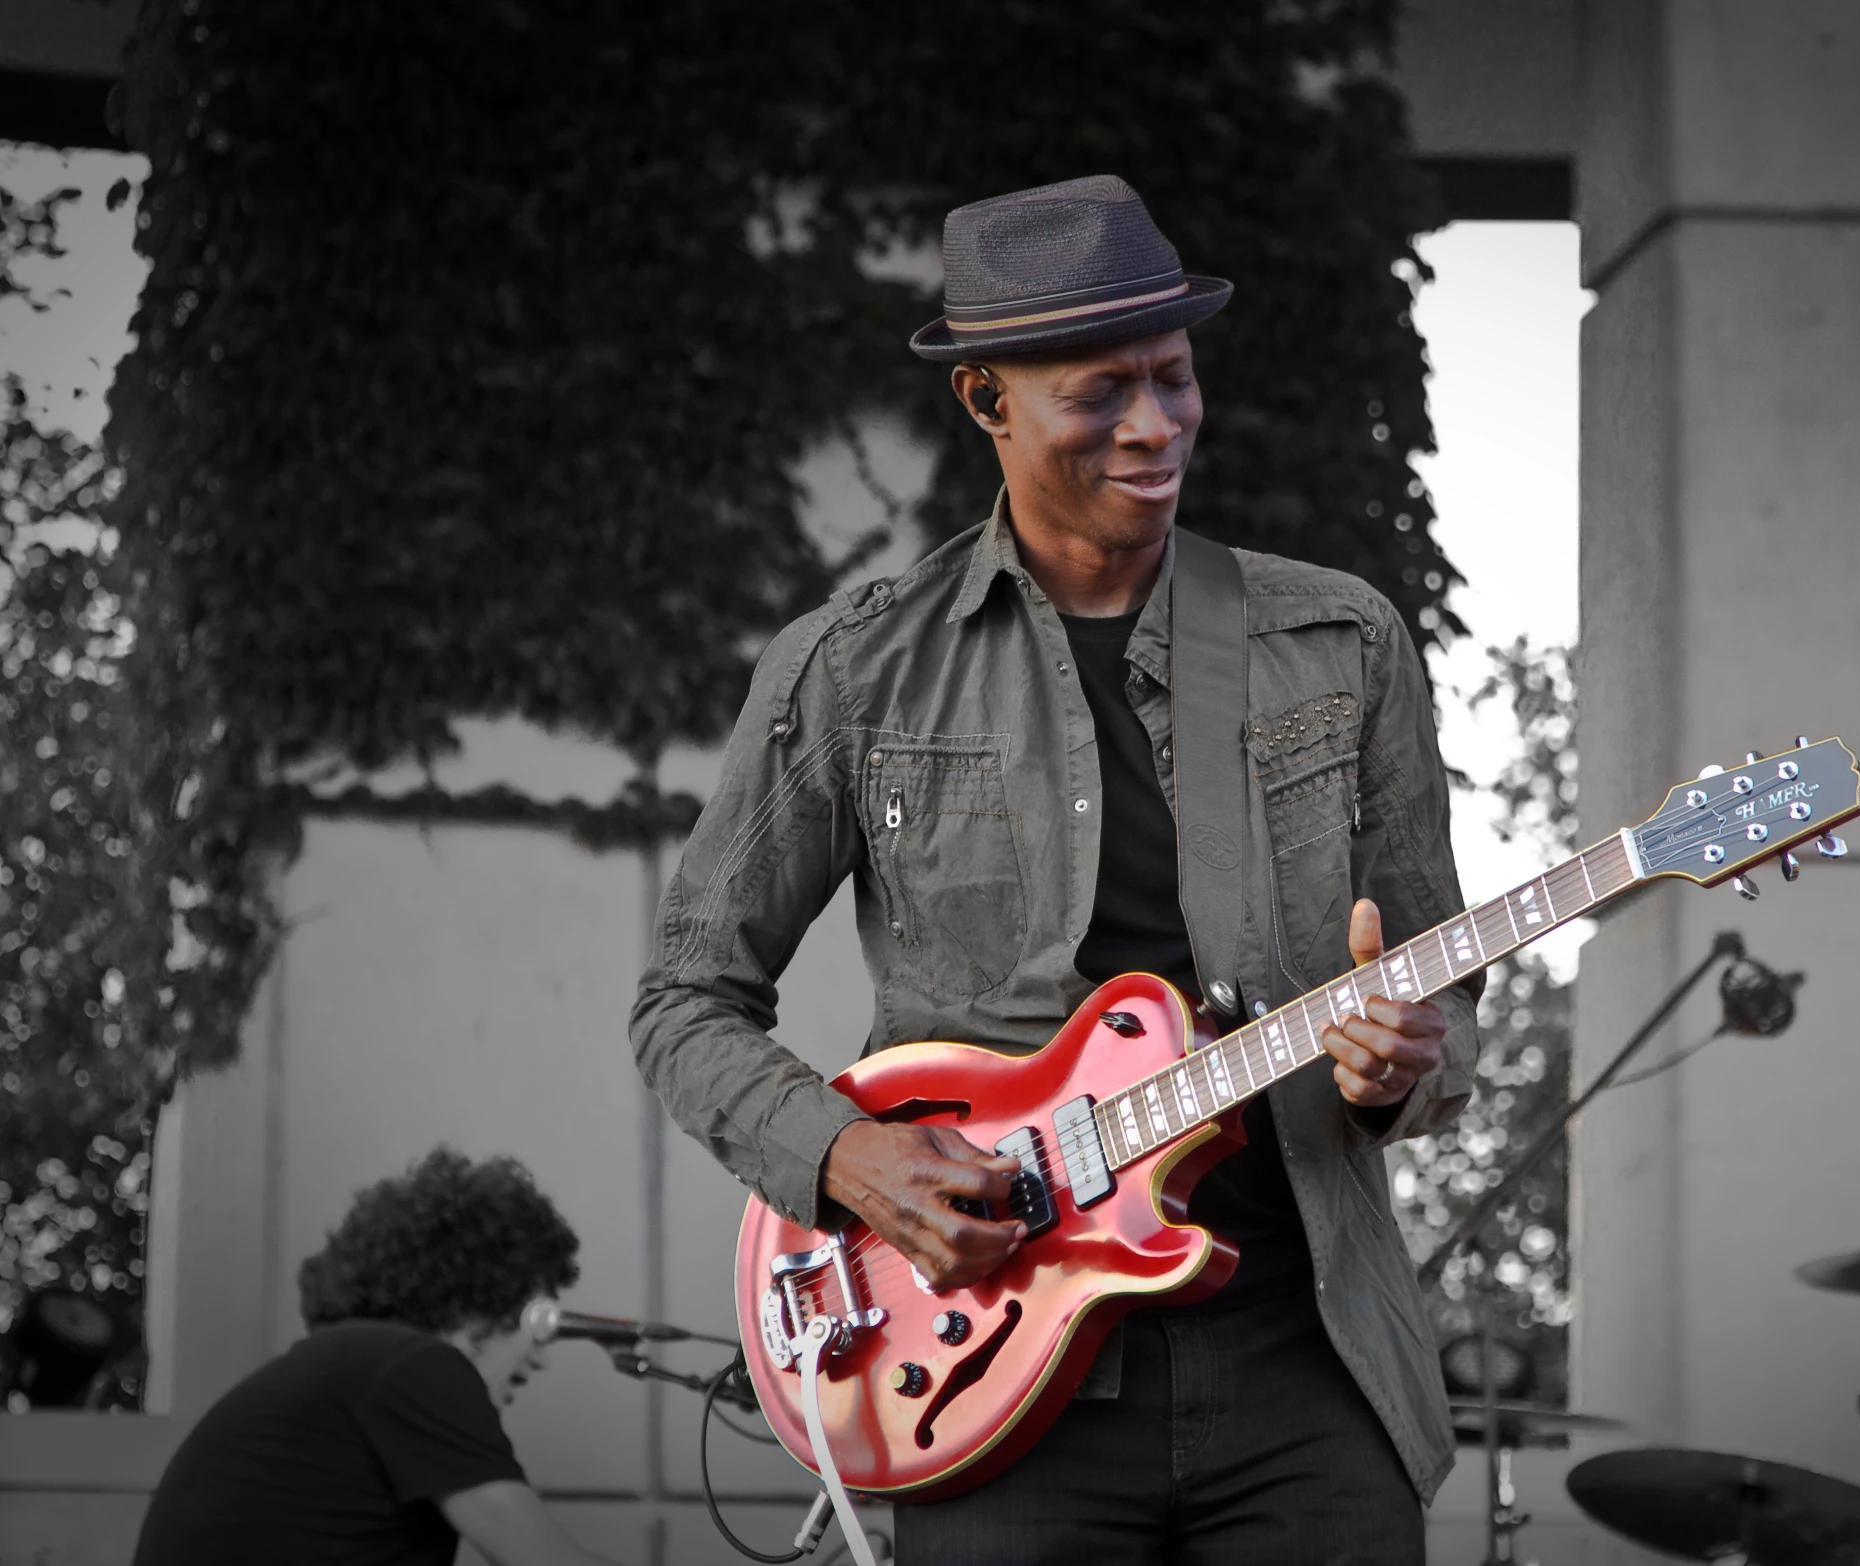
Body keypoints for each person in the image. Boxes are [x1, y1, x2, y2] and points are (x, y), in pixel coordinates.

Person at [632, 174, 1480, 1563]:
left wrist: (1404, 1064)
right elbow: (683, 997)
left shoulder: (1341, 641)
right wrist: (844, 1157)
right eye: (1101, 393)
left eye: (1174, 377)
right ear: (986, 401)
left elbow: (1441, 994)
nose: (1155, 427)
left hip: (1303, 1350)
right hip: (986, 1369)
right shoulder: (851, 670)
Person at [133, 1147, 623, 1566]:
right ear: (485, 1293)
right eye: (534, 1315)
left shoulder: (358, 1367)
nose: (540, 1357)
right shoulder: (415, 1366)